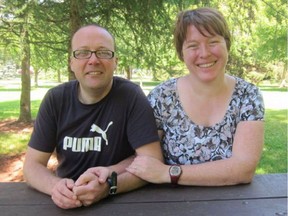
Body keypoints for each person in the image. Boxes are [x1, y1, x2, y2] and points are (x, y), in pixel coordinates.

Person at [23, 24, 163, 209]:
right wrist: (56, 187)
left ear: (115, 61)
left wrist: (109, 185)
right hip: (67, 202)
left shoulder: (131, 97)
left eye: (103, 52)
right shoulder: (56, 99)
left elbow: (152, 161)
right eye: (83, 53)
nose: (93, 60)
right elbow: (32, 166)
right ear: (71, 62)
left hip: (122, 202)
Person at [127, 7, 265, 186]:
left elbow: (243, 169)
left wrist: (169, 173)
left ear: (227, 45)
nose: (205, 53)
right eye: (193, 45)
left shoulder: (248, 96)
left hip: (234, 205)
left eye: (213, 42)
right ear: (181, 53)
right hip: (171, 207)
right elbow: (145, 161)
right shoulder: (162, 97)